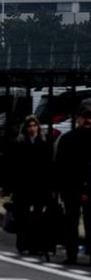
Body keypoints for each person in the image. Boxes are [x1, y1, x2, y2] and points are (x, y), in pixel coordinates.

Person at [9, 115, 54, 256]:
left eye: (34, 126)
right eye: (29, 126)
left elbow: (49, 165)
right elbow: (14, 166)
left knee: (38, 216)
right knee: (23, 216)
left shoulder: (45, 143)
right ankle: (23, 243)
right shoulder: (19, 143)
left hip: (40, 185)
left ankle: (36, 245)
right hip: (23, 185)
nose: (32, 129)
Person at [55, 103, 91, 265]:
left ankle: (76, 254)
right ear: (78, 119)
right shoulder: (68, 139)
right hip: (71, 187)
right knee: (71, 222)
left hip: (78, 187)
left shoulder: (68, 138)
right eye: (85, 117)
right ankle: (72, 254)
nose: (88, 120)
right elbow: (60, 165)